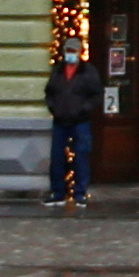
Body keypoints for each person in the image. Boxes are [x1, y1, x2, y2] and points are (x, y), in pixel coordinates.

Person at [42, 46, 96, 210]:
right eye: (68, 51)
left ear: (79, 53)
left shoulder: (88, 71)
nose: (70, 55)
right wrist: (54, 108)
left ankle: (80, 194)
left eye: (73, 51)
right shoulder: (58, 70)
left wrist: (84, 109)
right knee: (57, 157)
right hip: (60, 121)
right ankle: (58, 193)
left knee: (81, 156)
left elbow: (96, 94)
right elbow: (49, 92)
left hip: (81, 121)